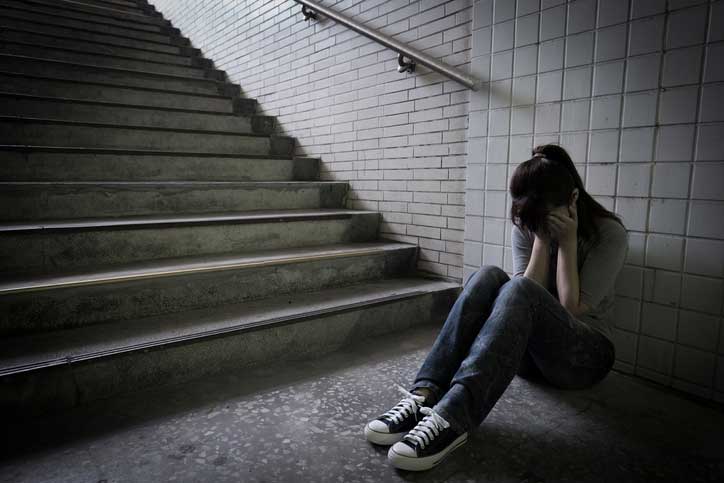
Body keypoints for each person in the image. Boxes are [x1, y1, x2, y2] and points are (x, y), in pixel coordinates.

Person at [364, 144, 628, 472]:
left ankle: (453, 418)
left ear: (572, 200)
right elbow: (520, 296)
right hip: (528, 358)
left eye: (541, 218)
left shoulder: (609, 233)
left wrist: (569, 242)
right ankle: (425, 395)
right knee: (489, 275)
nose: (531, 226)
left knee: (518, 288)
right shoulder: (529, 227)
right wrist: (542, 240)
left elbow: (571, 307)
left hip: (583, 360)